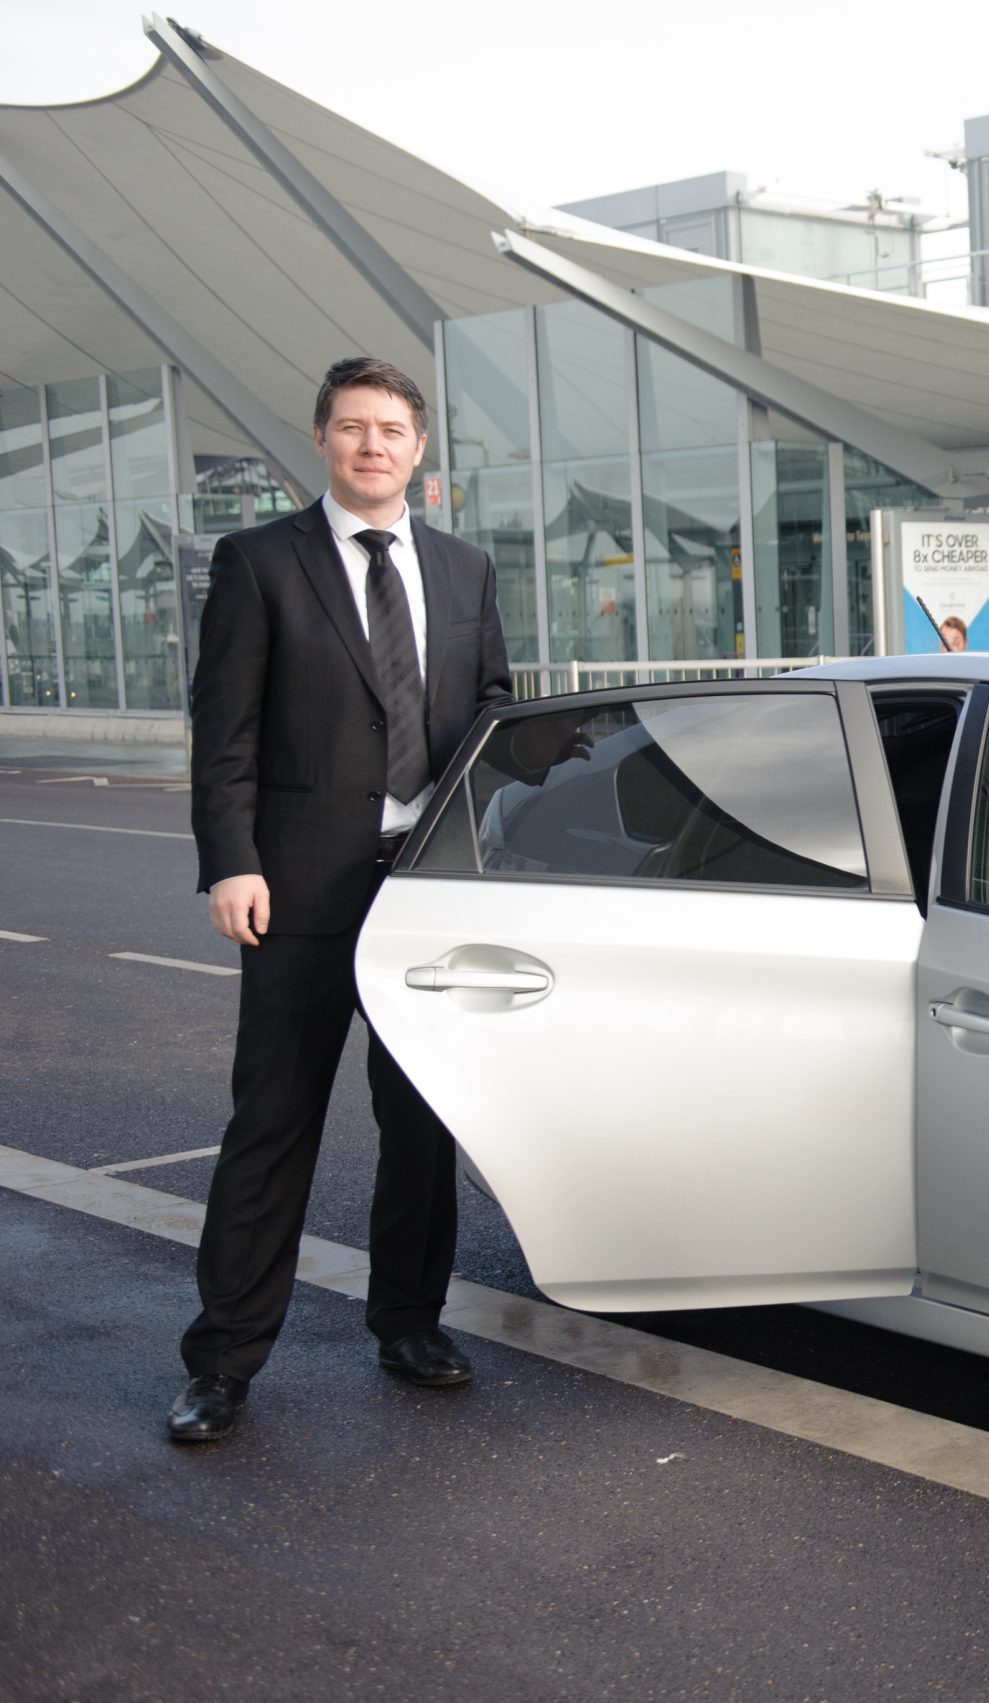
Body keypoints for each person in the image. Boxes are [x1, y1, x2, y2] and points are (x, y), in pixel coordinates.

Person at [171, 356, 512, 1443]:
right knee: (272, 1125)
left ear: (419, 447)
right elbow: (222, 729)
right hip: (298, 887)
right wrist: (230, 858)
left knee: (420, 1124)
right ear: (322, 439)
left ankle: (409, 1320)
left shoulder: (463, 569)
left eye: (393, 429)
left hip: (423, 888)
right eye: (353, 427)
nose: (373, 445)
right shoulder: (260, 561)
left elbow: (496, 709)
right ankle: (222, 1361)